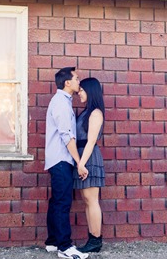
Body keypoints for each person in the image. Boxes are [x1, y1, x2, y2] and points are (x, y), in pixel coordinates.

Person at [44, 67, 89, 259]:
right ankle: (65, 247)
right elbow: (66, 136)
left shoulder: (63, 101)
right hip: (62, 159)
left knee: (57, 201)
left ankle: (53, 241)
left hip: (58, 159)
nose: (80, 82)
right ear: (67, 83)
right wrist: (79, 162)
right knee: (63, 202)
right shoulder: (61, 103)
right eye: (77, 79)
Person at [73, 78, 105, 253]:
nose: (79, 94)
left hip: (89, 158)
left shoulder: (95, 113)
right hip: (83, 158)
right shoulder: (86, 112)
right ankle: (92, 239)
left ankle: (95, 240)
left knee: (92, 200)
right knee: (87, 200)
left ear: (91, 92)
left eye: (82, 91)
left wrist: (81, 163)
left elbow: (91, 141)